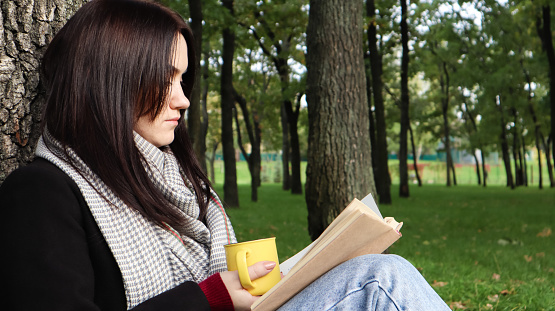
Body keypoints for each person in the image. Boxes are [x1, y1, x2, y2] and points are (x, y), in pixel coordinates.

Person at [0, 0, 451, 310]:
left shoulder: (175, 181)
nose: (184, 100)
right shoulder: (41, 194)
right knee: (380, 283)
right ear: (110, 81)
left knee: (378, 269)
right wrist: (211, 298)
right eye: (167, 78)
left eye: (184, 80)